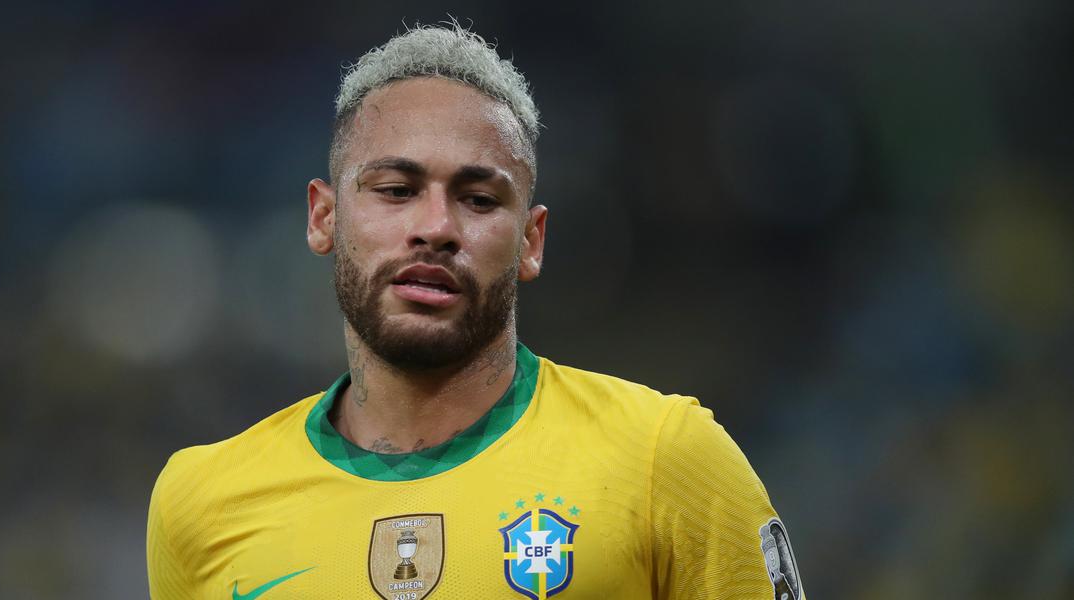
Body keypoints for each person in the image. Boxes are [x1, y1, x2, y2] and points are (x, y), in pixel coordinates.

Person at [147, 23, 805, 600]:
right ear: (324, 216)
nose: (435, 227)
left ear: (531, 240)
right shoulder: (201, 502)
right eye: (397, 190)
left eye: (480, 200)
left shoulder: (666, 457)